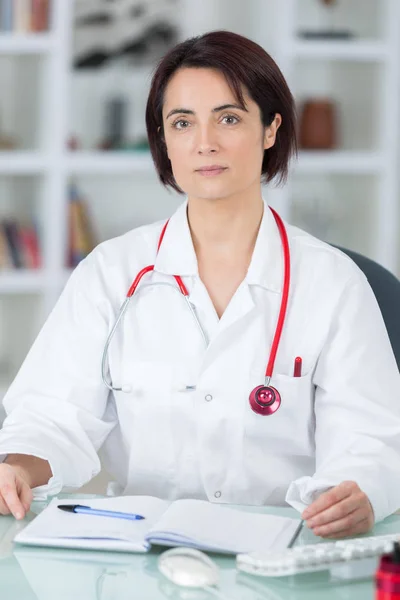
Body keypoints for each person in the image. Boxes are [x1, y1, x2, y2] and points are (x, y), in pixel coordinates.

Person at [1, 30, 400, 540]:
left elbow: (371, 442)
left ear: (271, 129)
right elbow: (52, 416)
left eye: (229, 118)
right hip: (140, 553)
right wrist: (16, 470)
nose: (204, 142)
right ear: (164, 140)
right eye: (182, 122)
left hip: (281, 552)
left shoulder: (333, 283)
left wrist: (360, 491)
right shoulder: (112, 273)